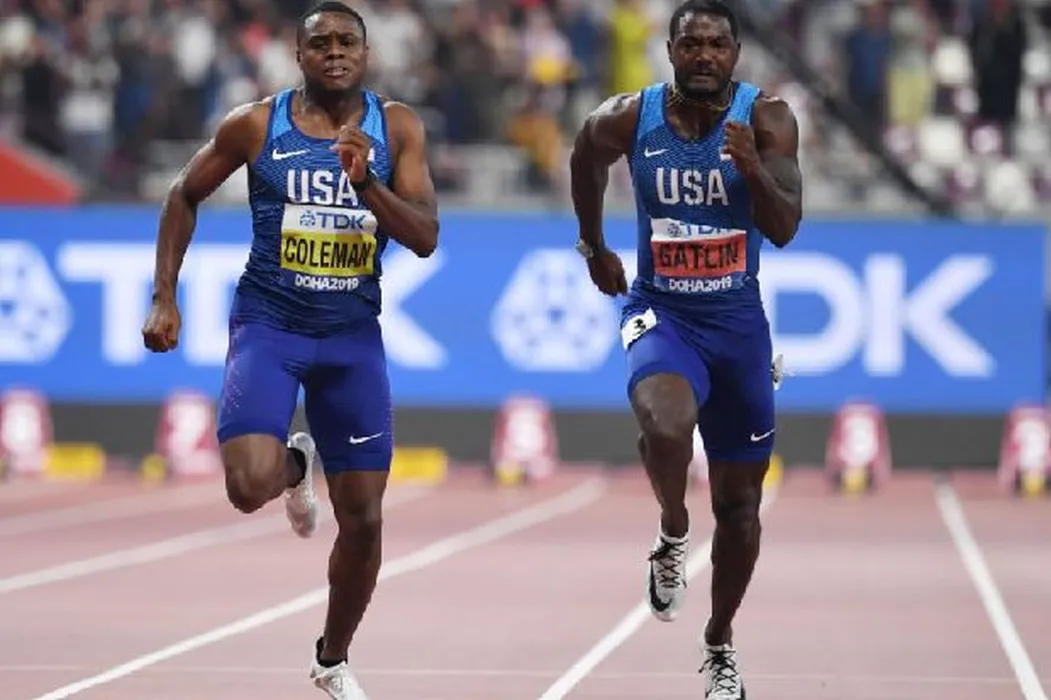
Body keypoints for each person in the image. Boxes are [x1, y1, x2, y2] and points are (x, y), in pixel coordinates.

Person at [140, 3, 439, 698]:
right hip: (270, 326)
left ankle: (331, 658)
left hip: (350, 337)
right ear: (297, 55)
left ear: (365, 53)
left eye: (347, 42)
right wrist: (163, 296)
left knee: (364, 518)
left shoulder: (396, 127)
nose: (334, 52)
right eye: (320, 43)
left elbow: (425, 236)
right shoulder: (255, 125)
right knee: (248, 487)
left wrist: (366, 183)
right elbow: (184, 193)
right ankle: (296, 463)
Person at [568, 1, 802, 698]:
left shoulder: (768, 120)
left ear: (735, 54)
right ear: (669, 51)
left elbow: (784, 228)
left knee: (740, 509)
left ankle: (719, 641)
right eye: (691, 44)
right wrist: (592, 244)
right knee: (665, 423)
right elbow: (584, 153)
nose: (704, 56)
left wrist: (751, 167)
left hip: (737, 325)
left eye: (717, 45)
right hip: (662, 311)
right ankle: (673, 530)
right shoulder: (629, 117)